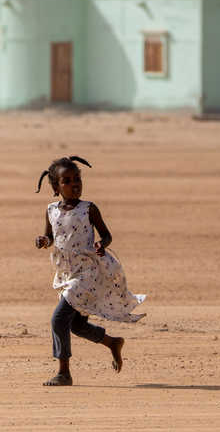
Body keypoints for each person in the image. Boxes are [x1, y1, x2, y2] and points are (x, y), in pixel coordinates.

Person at [34, 155, 146, 386]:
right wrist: (44, 241)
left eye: (77, 179)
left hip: (88, 274)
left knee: (58, 319)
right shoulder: (51, 210)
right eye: (67, 181)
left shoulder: (88, 209)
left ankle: (63, 373)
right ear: (56, 187)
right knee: (76, 325)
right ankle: (112, 343)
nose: (74, 184)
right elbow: (51, 237)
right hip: (67, 274)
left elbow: (107, 234)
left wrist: (101, 244)